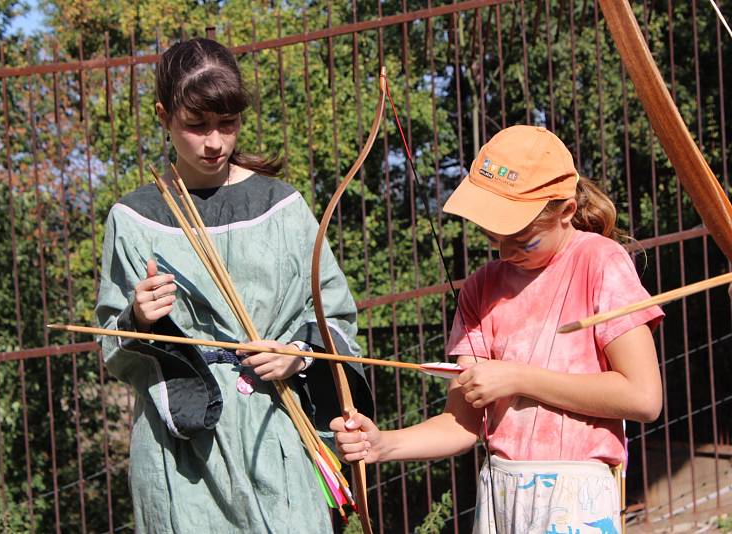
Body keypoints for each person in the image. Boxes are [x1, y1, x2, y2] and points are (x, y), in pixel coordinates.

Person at [96, 37, 371, 533]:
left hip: (274, 425)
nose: (215, 142)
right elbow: (112, 345)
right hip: (180, 447)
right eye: (195, 125)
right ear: (164, 117)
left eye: (227, 124)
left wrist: (298, 354)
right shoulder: (134, 218)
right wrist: (138, 318)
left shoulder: (282, 206)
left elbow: (336, 316)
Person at [331, 125, 663, 534]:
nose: (504, 251)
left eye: (522, 240)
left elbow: (644, 397)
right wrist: (384, 444)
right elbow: (463, 423)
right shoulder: (481, 288)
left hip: (577, 496)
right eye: (494, 236)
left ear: (566, 212)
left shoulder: (601, 262)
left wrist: (518, 378)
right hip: (501, 492)